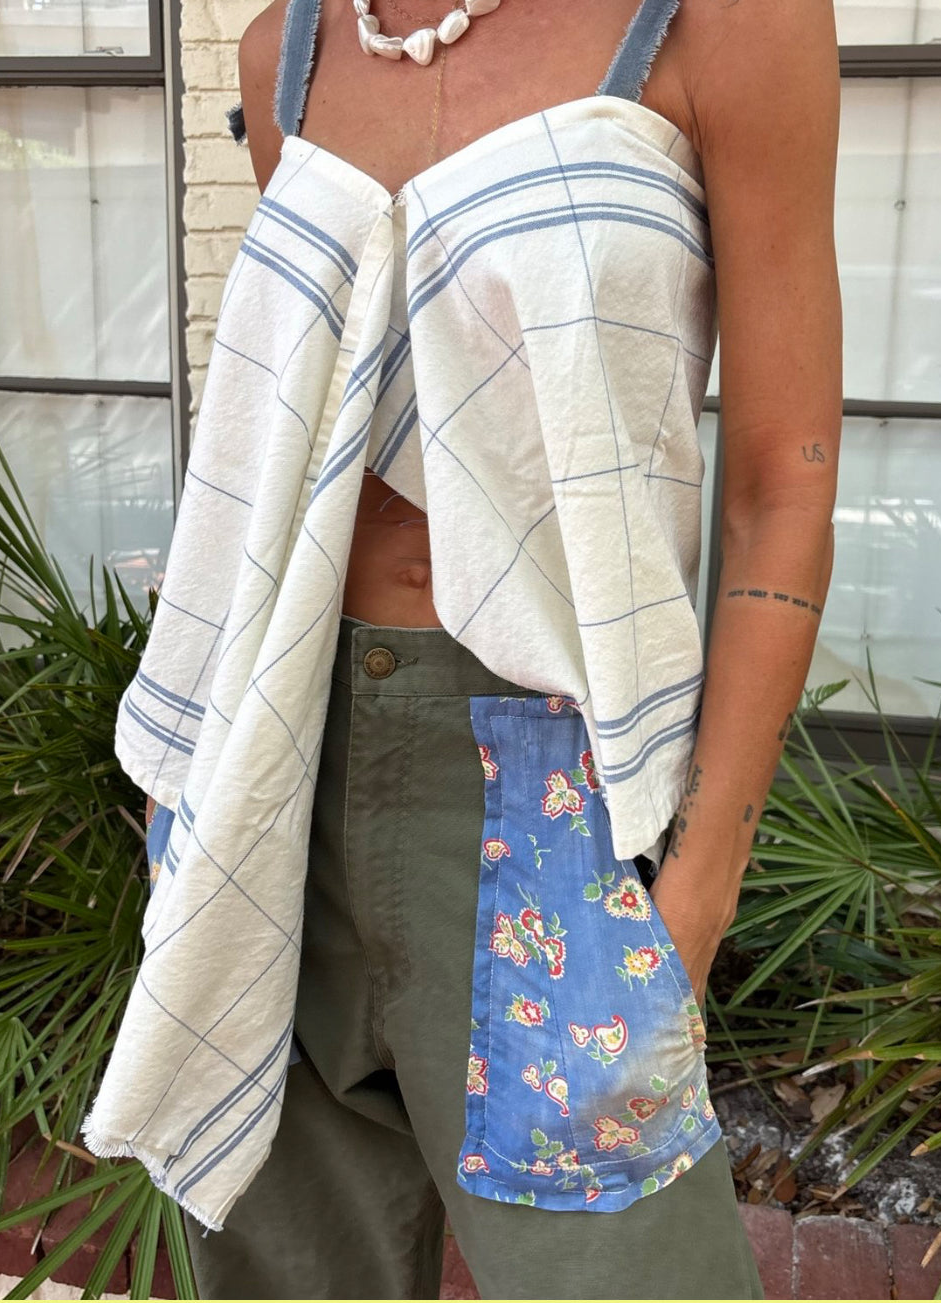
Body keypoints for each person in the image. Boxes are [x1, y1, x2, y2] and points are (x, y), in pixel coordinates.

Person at [100, 0, 842, 1296]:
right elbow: (323, 407)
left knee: (626, 1277)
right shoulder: (287, 50)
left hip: (552, 769)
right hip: (272, 745)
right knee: (287, 1265)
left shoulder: (724, 24)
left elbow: (783, 483)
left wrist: (701, 884)